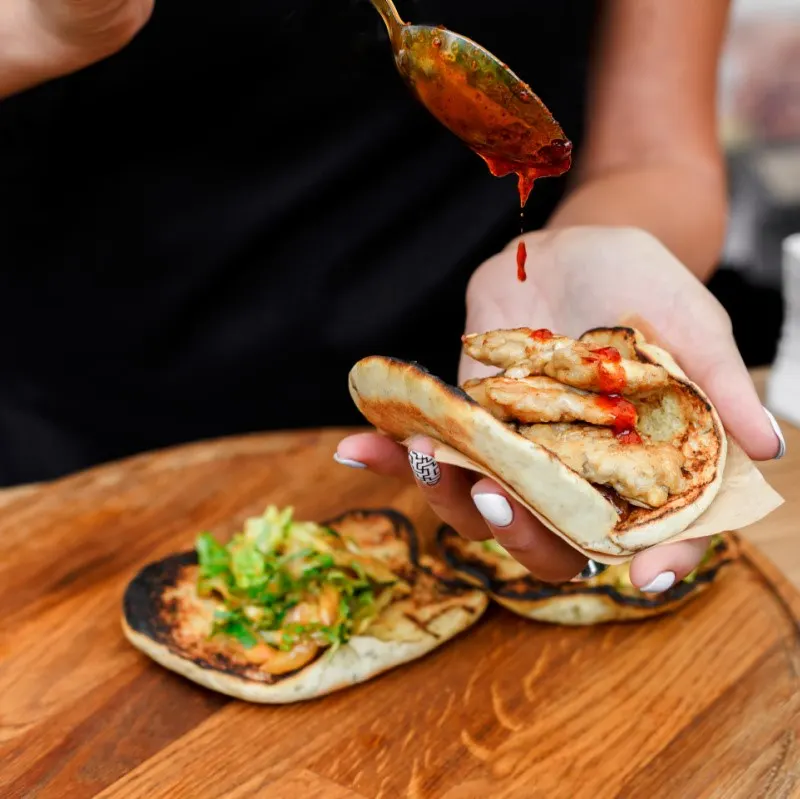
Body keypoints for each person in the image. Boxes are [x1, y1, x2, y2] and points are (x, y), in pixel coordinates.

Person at [0, 1, 784, 590]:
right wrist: (38, 31)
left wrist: (598, 248)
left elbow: (654, 154)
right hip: (78, 437)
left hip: (464, 408)